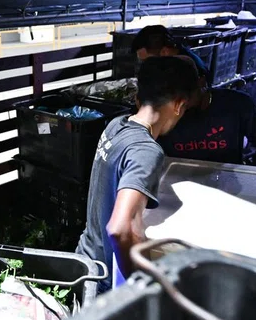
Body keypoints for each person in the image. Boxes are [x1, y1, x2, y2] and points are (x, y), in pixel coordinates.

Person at [76, 57, 200, 293]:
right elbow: (120, 228)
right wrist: (138, 282)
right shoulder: (146, 151)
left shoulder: (116, 125)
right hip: (107, 281)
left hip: (86, 261)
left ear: (138, 97)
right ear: (178, 104)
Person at [132, 26, 256, 166]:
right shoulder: (164, 115)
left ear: (201, 82)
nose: (182, 104)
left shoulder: (238, 105)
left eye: (187, 93)